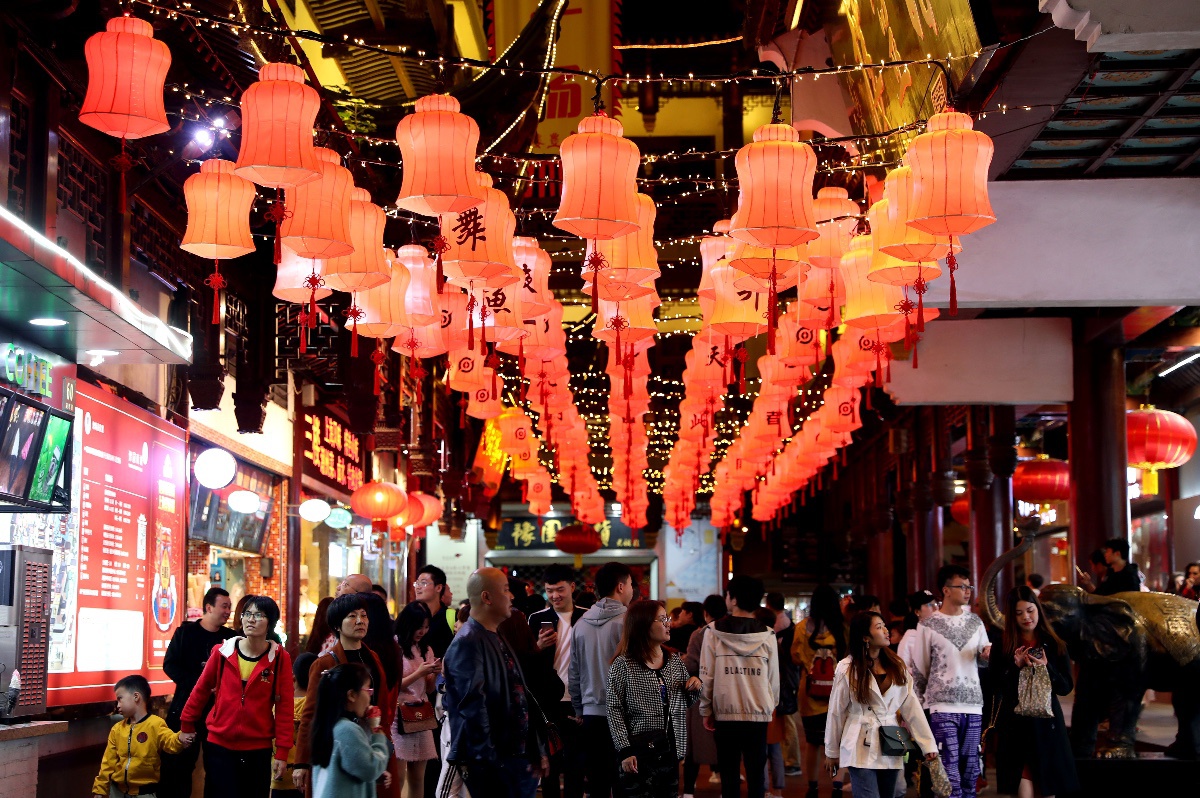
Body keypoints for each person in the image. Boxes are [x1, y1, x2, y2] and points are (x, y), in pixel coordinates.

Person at [442, 567, 547, 798]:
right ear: (486, 597)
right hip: (496, 762)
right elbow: (473, 708)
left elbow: (519, 695)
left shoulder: (494, 634)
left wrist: (534, 748)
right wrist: (488, 761)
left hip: (513, 757)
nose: (511, 597)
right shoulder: (468, 641)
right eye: (506, 590)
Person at [179, 595, 293, 798]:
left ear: (271, 623)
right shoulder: (222, 652)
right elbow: (201, 690)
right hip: (219, 744)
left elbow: (285, 707)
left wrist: (283, 752)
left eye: (259, 615)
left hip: (258, 747)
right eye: (247, 614)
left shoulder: (279, 659)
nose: (251, 619)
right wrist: (187, 723)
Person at [825, 612, 938, 798]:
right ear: (865, 637)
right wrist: (831, 751)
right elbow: (836, 711)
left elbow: (912, 707)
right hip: (859, 741)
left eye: (884, 625)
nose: (886, 631)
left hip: (891, 740)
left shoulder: (897, 665)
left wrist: (928, 745)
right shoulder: (847, 667)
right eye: (879, 627)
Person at [293, 593, 393, 793]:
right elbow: (311, 714)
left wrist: (381, 736)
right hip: (338, 742)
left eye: (364, 616)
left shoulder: (372, 657)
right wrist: (302, 762)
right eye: (352, 616)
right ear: (337, 625)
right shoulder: (324, 663)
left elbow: (382, 700)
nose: (360, 621)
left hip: (371, 737)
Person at [908, 566, 992, 798]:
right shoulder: (928, 624)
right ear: (946, 590)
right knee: (948, 769)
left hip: (973, 705)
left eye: (969, 586)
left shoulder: (976, 622)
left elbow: (984, 660)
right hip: (941, 706)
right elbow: (920, 667)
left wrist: (985, 657)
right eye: (961, 586)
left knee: (971, 770)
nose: (967, 591)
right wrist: (923, 706)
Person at [606, 600, 701, 798]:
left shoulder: (674, 661)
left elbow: (684, 703)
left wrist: (694, 686)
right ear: (643, 624)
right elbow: (614, 709)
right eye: (662, 619)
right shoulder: (623, 665)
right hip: (637, 753)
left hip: (670, 750)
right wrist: (624, 750)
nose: (668, 623)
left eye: (668, 618)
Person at [992, 587, 1078, 798]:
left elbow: (1065, 687)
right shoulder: (1003, 645)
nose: (1026, 617)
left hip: (1047, 726)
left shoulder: (1055, 643)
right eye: (1019, 613)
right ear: (1012, 616)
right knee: (1023, 783)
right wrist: (1016, 667)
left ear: (1038, 610)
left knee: (1048, 787)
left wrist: (1046, 667)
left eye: (1030, 610)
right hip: (1016, 726)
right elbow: (995, 685)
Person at [699, 575, 779, 798]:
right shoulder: (768, 634)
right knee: (756, 777)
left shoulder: (713, 632)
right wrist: (770, 706)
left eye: (727, 594)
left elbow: (708, 676)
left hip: (725, 713)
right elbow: (773, 679)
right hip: (757, 715)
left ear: (733, 600)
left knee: (729, 777)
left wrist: (706, 710)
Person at [568, 561, 635, 798]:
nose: (631, 590)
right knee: (625, 782)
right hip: (626, 716)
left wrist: (579, 708)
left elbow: (573, 672)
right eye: (630, 584)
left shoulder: (580, 624)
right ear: (620, 586)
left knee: (597, 781)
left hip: (591, 714)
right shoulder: (630, 622)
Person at [160, 587, 234, 798]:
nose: (228, 611)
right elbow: (170, 665)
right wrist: (198, 685)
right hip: (186, 708)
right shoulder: (184, 633)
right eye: (224, 606)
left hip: (219, 713)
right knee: (179, 766)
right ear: (209, 607)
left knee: (217, 767)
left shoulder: (231, 639)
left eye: (230, 606)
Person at [526, 563, 585, 798]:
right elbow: (526, 661)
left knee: (576, 765)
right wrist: (538, 647)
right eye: (550, 590)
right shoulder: (537, 619)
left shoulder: (587, 617)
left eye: (560, 589)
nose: (554, 595)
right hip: (548, 700)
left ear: (572, 587)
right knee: (550, 764)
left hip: (579, 699)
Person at [93, 675, 191, 798]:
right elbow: (108, 762)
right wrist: (100, 789)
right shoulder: (117, 729)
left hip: (144, 793)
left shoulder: (155, 724)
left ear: (136, 697)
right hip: (117, 792)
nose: (117, 705)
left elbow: (171, 743)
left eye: (120, 699)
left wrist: (180, 738)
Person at [791, 584, 847, 798]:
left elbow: (794, 656)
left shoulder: (802, 627)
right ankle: (837, 786)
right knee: (838, 744)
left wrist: (809, 661)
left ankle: (813, 787)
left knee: (813, 744)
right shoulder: (841, 628)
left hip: (810, 695)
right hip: (838, 695)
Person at [309, 663, 391, 798]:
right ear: (352, 695)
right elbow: (369, 769)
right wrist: (378, 735)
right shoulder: (348, 730)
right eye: (368, 690)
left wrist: (374, 776)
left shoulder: (329, 726)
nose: (370, 697)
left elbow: (350, 767)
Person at [393, 602, 442, 798]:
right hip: (399, 714)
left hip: (420, 714)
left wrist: (432, 675)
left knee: (418, 778)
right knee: (398, 777)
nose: (422, 631)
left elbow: (429, 689)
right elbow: (393, 686)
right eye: (418, 626)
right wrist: (419, 673)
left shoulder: (425, 649)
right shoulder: (395, 646)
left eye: (426, 626)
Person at [682, 594, 726, 798]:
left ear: (706, 613)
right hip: (727, 694)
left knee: (694, 748)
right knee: (726, 749)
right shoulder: (731, 632)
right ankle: (727, 789)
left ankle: (689, 791)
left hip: (701, 695)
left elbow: (691, 665)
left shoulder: (699, 635)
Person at [434, 604, 473, 798]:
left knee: (445, 791)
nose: (456, 624)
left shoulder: (464, 647)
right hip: (455, 722)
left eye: (461, 620)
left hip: (458, 724)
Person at [766, 592, 802, 778]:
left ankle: (792, 762)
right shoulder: (788, 623)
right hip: (788, 677)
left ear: (769, 604)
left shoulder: (777, 625)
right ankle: (787, 761)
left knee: (787, 719)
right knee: (785, 719)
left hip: (784, 679)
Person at [271, 652, 316, 798]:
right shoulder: (315, 707)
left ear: (293, 678)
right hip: (306, 777)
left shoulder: (278, 706)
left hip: (279, 776)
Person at [414, 565, 456, 658]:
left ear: (438, 588)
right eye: (417, 584)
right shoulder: (410, 616)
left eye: (423, 583)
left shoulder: (453, 616)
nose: (418, 587)